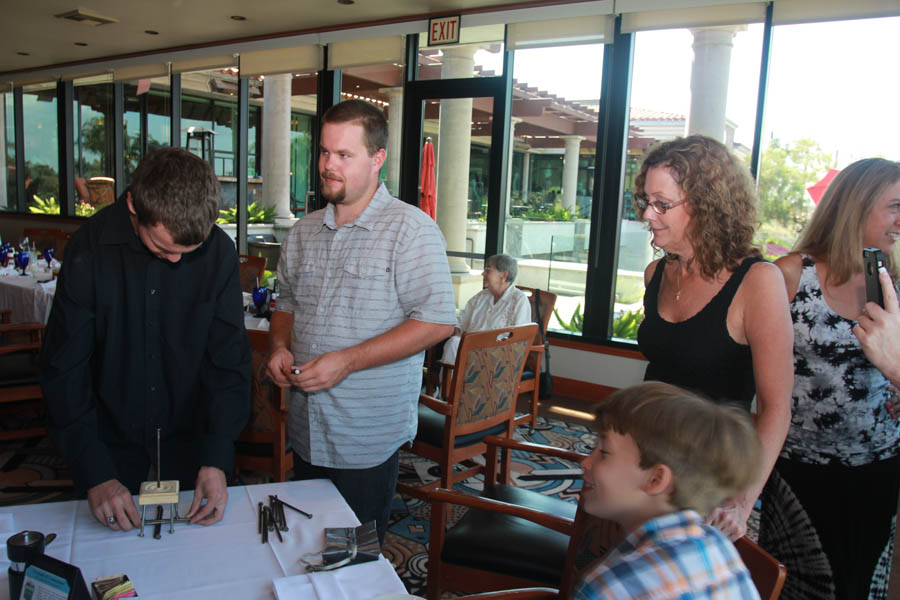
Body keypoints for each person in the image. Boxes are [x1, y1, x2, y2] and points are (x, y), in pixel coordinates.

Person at [265, 99, 456, 544]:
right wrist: (278, 346)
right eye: (325, 152)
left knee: (351, 555)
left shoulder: (411, 230)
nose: (329, 165)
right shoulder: (303, 231)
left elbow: (436, 323)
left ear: (377, 159)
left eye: (344, 155)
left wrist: (348, 361)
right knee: (306, 542)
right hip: (307, 423)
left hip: (365, 432)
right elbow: (286, 304)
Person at [39, 147, 251, 532]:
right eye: (164, 247)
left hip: (191, 443)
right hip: (106, 447)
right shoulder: (90, 246)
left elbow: (228, 362)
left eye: (188, 253)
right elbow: (64, 369)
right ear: (134, 205)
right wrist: (95, 472)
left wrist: (217, 456)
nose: (175, 262)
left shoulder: (219, 252)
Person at [632, 135, 793, 541]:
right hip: (646, 458)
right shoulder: (656, 274)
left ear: (706, 206)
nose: (648, 214)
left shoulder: (757, 282)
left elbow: (776, 408)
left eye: (662, 204)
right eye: (645, 201)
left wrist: (742, 501)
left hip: (708, 476)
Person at [760, 158, 900, 600]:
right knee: (797, 585)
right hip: (800, 469)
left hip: (879, 466)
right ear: (856, 207)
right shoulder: (789, 275)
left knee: (861, 586)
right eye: (895, 206)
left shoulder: (894, 282)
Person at [573, 381, 762, 600]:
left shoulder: (612, 587)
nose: (586, 462)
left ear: (655, 479)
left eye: (604, 452)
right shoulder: (717, 543)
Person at [439, 253, 532, 365]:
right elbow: (460, 322)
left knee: (454, 344)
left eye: (488, 270)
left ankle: (450, 382)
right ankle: (451, 382)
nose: (483, 273)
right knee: (453, 342)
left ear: (503, 275)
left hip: (498, 357)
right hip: (470, 350)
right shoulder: (481, 297)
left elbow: (520, 340)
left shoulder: (519, 300)